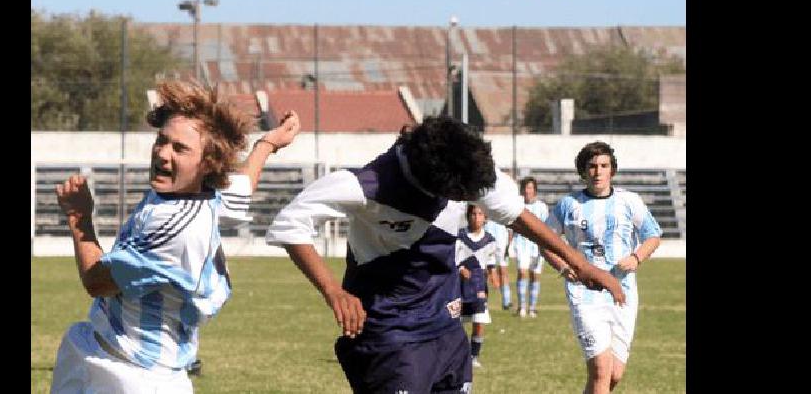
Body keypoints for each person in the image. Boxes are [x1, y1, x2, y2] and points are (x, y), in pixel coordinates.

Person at [265, 115, 625, 393]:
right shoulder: (367, 185)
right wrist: (333, 291)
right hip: (390, 331)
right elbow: (290, 223)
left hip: (446, 327)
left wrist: (580, 264)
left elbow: (516, 215)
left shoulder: (468, 166)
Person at [49, 80, 301, 393]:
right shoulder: (201, 194)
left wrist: (79, 217)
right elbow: (242, 187)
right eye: (162, 140)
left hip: (133, 375)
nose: (163, 154)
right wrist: (268, 143)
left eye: (180, 148)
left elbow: (96, 281)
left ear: (207, 163)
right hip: (101, 350)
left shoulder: (175, 229)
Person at [542, 141, 663, 394]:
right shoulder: (568, 205)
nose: (598, 171)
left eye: (603, 166)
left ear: (612, 171)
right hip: (584, 296)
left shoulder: (629, 201)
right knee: (600, 371)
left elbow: (652, 235)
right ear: (583, 171)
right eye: (592, 166)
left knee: (613, 375)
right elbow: (546, 242)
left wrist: (636, 257)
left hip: (623, 294)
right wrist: (565, 268)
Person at [455, 203, 500, 369]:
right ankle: (458, 354)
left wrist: (494, 276)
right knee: (457, 323)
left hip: (479, 286)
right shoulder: (459, 238)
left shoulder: (489, 240)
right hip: (460, 286)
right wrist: (460, 269)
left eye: (480, 214)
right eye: (473, 214)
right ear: (468, 216)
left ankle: (474, 356)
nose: (477, 217)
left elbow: (490, 262)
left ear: (485, 217)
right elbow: (451, 260)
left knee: (479, 322)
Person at [509, 177, 550, 317]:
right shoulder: (518, 206)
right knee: (522, 273)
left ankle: (532, 308)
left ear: (535, 190)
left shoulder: (542, 207)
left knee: (535, 275)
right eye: (526, 188)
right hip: (521, 243)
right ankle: (522, 307)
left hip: (537, 246)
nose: (528, 191)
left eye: (530, 188)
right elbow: (511, 226)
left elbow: (547, 228)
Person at [481, 218, 513, 310]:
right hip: (488, 241)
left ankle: (506, 302)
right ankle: (483, 302)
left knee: (503, 271)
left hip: (502, 243)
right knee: (487, 272)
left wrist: (508, 245)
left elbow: (510, 228)